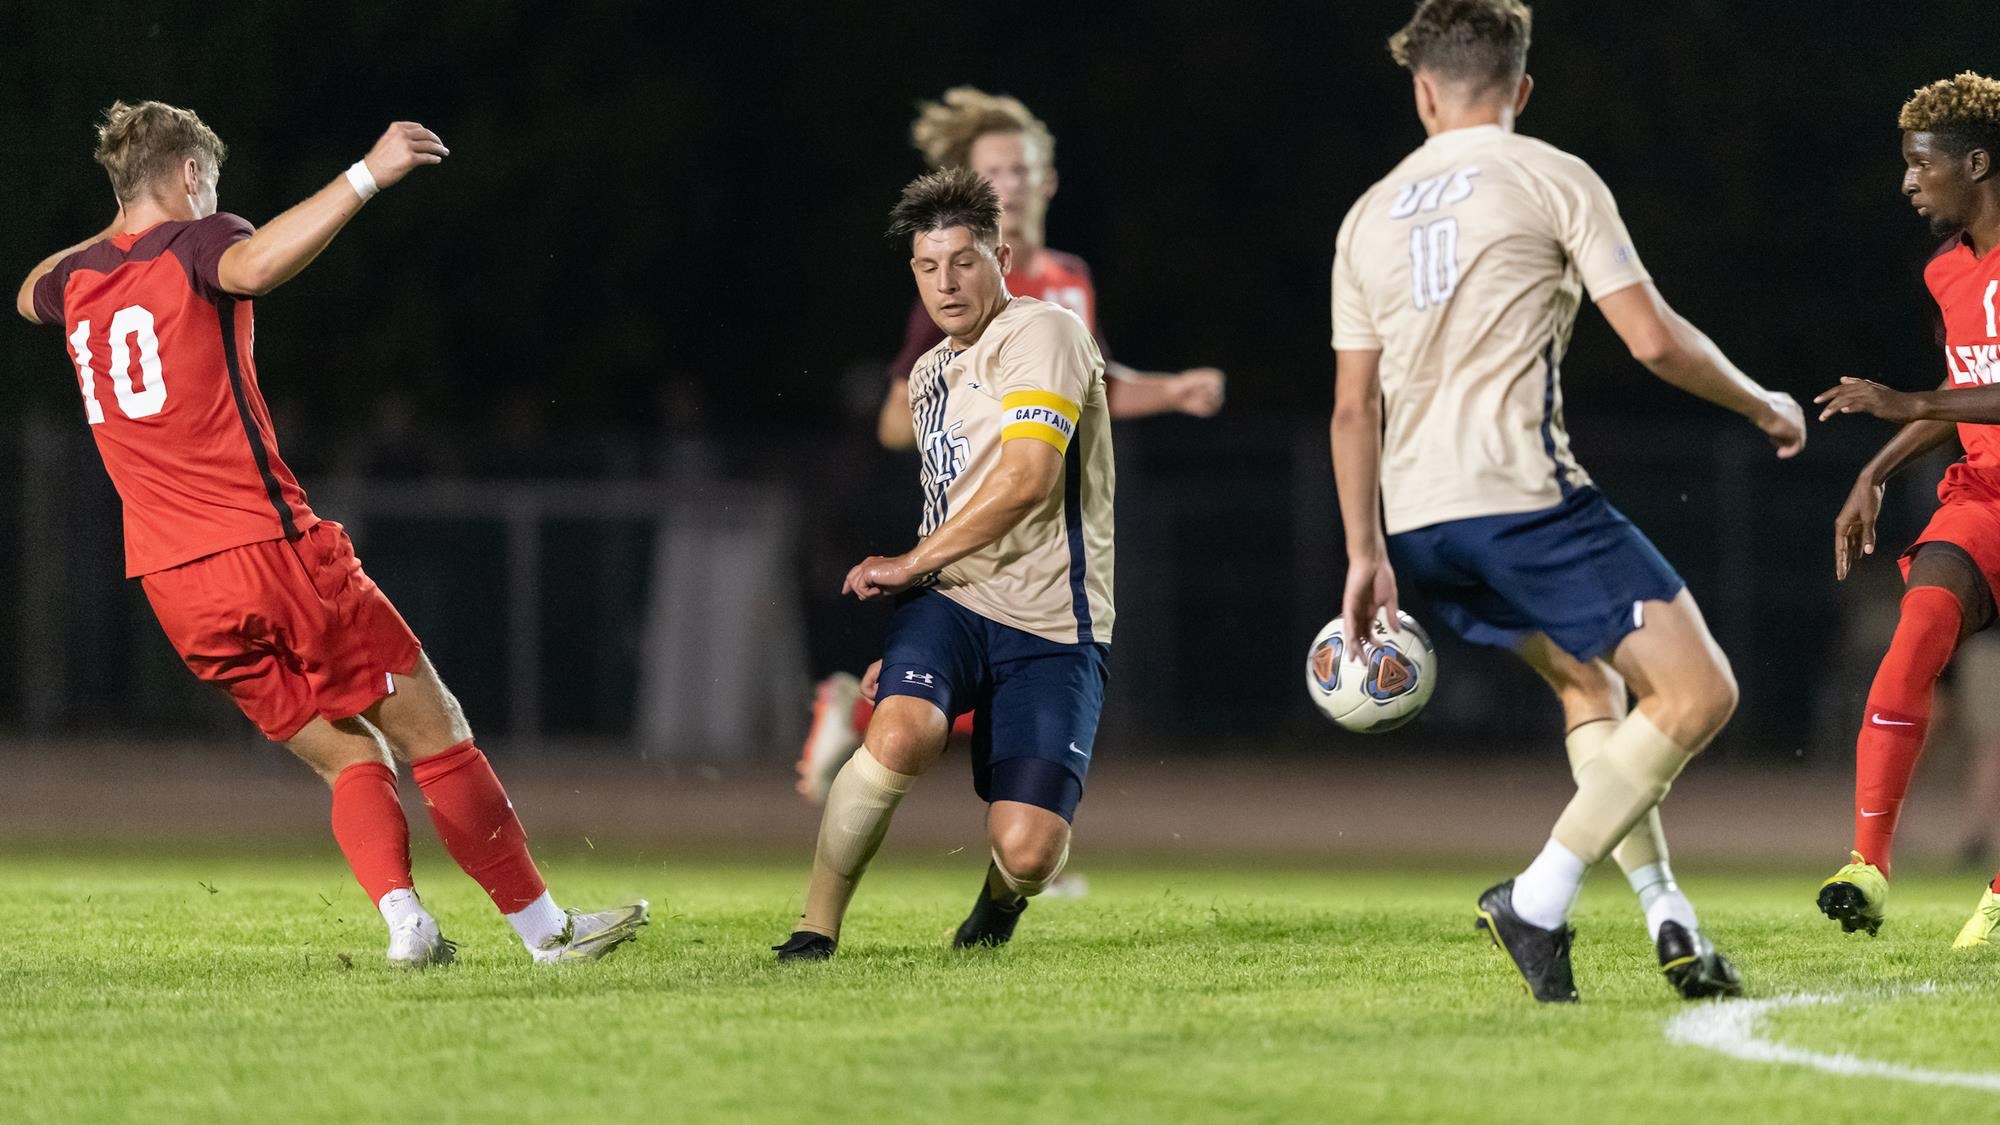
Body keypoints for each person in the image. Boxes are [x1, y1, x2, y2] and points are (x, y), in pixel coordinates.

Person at [14, 101, 647, 967]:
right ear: (192, 176)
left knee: (348, 752)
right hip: (269, 550)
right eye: (210, 183)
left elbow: (26, 292)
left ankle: (407, 925)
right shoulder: (204, 243)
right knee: (438, 729)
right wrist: (363, 177)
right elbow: (256, 263)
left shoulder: (80, 280)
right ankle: (548, 934)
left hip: (173, 585)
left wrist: (124, 218)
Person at [1330, 0, 1804, 1001]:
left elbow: (1347, 411)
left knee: (1593, 691)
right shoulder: (1549, 174)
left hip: (1418, 525)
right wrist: (1761, 403)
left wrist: (1361, 551)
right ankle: (1536, 900)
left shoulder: (1366, 213)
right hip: (1521, 502)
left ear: (1421, 92)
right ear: (1522, 89)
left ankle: (1666, 912)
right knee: (1698, 692)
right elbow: (1653, 340)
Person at [797, 87, 1222, 804]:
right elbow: (896, 422)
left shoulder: (1067, 280)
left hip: (1060, 515)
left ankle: (1018, 833)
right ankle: (866, 711)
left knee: (1036, 672)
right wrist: (989, 421)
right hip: (992, 509)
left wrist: (1173, 390)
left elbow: (1097, 388)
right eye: (997, 171)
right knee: (1001, 666)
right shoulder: (960, 276)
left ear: (1049, 178)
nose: (1014, 184)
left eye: (1024, 169)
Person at [773, 167, 1114, 960]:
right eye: (928, 267)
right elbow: (948, 511)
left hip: (1055, 623)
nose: (946, 282)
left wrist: (904, 564)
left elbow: (1029, 479)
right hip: (954, 603)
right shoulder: (931, 374)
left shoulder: (1045, 333)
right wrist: (910, 631)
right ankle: (813, 929)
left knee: (1029, 851)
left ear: (1000, 254)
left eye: (963, 260)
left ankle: (998, 904)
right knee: (901, 733)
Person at [1809, 70, 2000, 947]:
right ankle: (1868, 868)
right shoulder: (1945, 273)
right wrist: (1877, 472)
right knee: (1915, 632)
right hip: (1984, 497)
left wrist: (1904, 405)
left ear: (1976, 162)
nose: (1908, 182)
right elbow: (1960, 391)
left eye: (1921, 165)